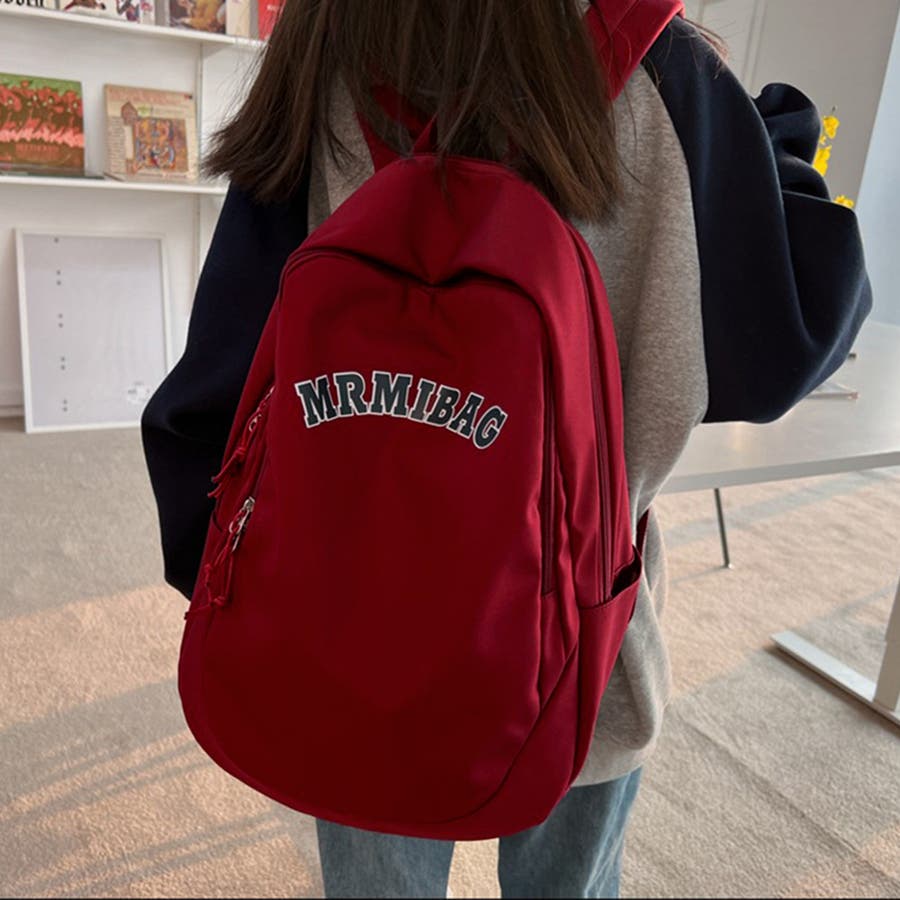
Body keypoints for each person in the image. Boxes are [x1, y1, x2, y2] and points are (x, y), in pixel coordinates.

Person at [141, 1, 872, 896]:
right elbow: (780, 351)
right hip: (584, 628)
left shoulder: (329, 37)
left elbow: (223, 373)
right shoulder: (666, 67)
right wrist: (777, 147)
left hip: (347, 619)